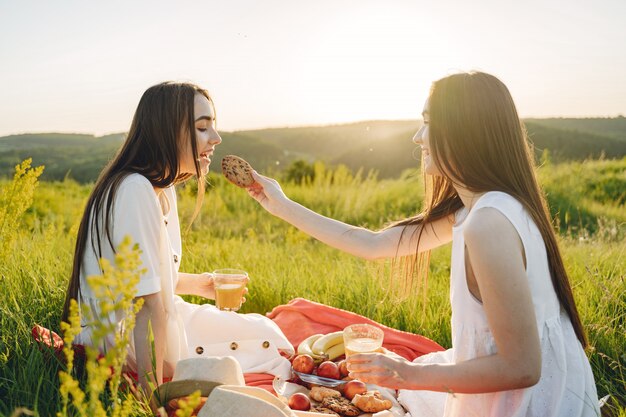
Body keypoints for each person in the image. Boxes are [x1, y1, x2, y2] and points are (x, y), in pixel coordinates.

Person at [247, 72, 600, 416]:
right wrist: (281, 205)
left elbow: (522, 368)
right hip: (542, 388)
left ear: (465, 132)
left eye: (429, 122)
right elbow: (373, 244)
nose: (418, 137)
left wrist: (405, 375)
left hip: (527, 403)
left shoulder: (488, 223)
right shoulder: (482, 205)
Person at [61, 81, 293, 399]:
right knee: (257, 354)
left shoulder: (162, 189)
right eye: (202, 127)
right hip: (121, 336)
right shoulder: (134, 189)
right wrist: (150, 391)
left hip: (163, 315)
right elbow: (145, 305)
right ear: (167, 131)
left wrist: (202, 285)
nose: (216, 138)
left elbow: (148, 279)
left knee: (266, 333)